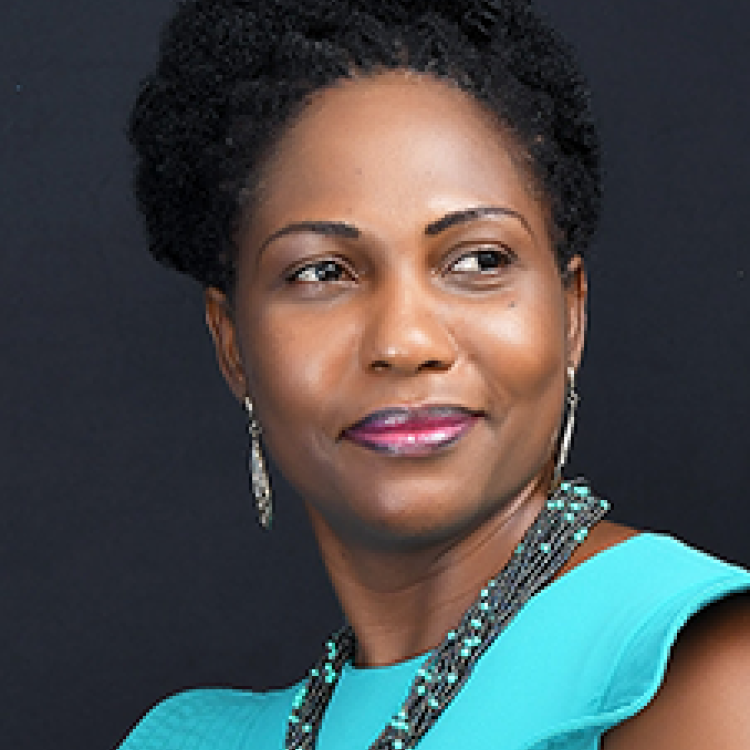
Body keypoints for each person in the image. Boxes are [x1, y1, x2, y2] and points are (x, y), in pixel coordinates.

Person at [119, 0, 750, 748]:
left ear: (572, 313)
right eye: (323, 272)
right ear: (232, 345)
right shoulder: (193, 738)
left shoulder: (695, 670)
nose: (405, 342)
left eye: (478, 260)